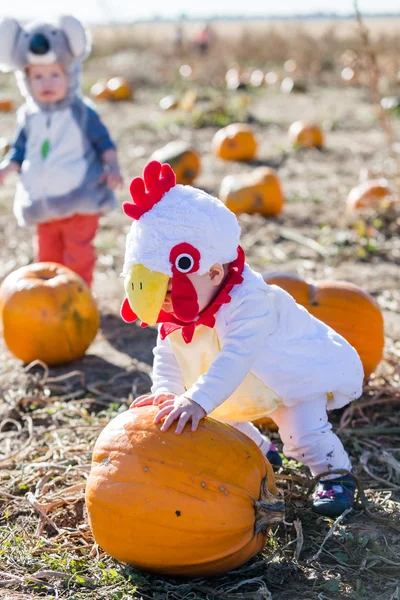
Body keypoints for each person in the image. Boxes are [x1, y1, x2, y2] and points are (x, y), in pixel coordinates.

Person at [121, 160, 364, 518]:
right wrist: (167, 393)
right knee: (213, 421)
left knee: (302, 432)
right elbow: (166, 352)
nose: (165, 301)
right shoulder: (175, 307)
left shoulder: (250, 302)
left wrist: (199, 398)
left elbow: (237, 355)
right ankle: (261, 450)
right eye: (157, 291)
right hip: (232, 384)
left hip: (283, 375)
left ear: (214, 271)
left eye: (170, 288)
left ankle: (333, 473)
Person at [0, 15, 123, 288]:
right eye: (38, 76)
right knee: (46, 257)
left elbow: (104, 143)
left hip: (80, 201)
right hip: (43, 204)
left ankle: (78, 298)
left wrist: (113, 168)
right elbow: (18, 150)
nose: (47, 83)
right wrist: (8, 166)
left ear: (70, 74)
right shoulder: (27, 116)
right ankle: (52, 303)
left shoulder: (81, 112)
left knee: (77, 255)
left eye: (55, 75)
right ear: (26, 80)